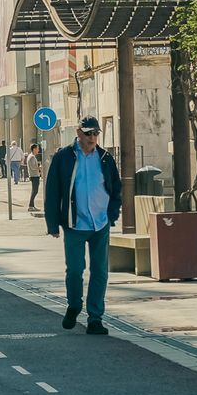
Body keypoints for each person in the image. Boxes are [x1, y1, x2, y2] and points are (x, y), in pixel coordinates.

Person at [43, 117, 123, 335]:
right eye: (88, 134)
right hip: (74, 223)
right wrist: (52, 223)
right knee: (75, 270)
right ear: (78, 133)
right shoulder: (64, 157)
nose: (92, 138)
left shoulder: (105, 158)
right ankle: (74, 305)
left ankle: (95, 318)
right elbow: (52, 191)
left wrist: (112, 214)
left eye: (96, 134)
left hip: (100, 224)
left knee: (100, 272)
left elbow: (116, 188)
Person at [25, 142, 43, 213]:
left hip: (34, 175)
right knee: (34, 191)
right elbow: (33, 167)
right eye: (37, 149)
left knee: (34, 191)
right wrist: (39, 167)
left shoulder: (31, 156)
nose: (38, 150)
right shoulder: (32, 157)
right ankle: (30, 206)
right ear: (34, 149)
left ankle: (32, 206)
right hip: (34, 176)